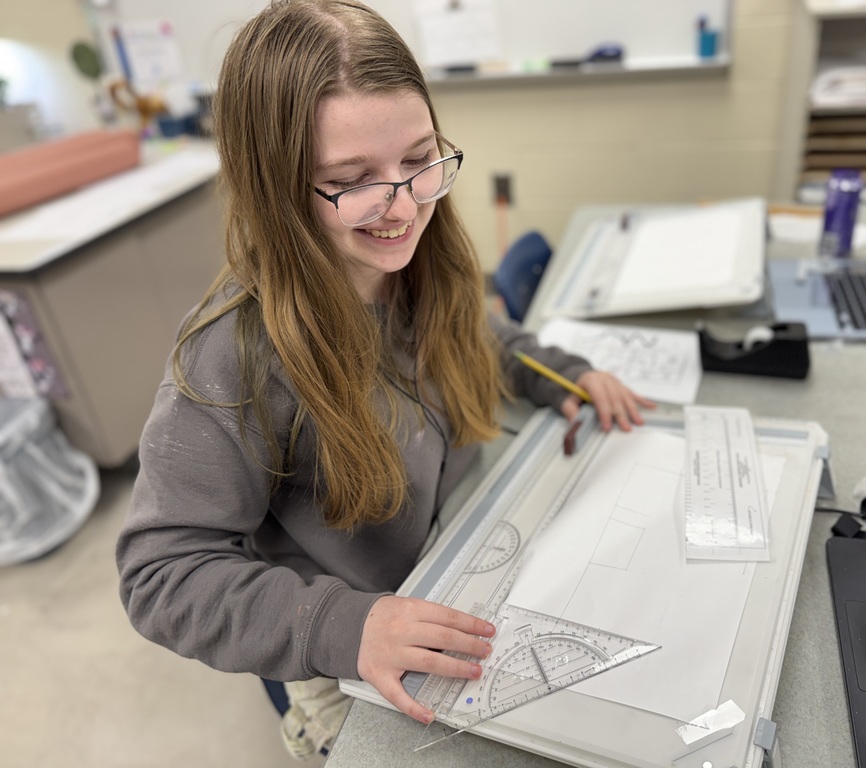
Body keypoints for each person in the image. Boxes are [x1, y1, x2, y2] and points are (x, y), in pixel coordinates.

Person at [116, 0, 654, 757]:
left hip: (458, 563)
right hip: (345, 641)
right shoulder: (229, 358)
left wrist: (558, 374)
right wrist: (342, 626)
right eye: (351, 179)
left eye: (419, 158)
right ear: (275, 186)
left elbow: (483, 337)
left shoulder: (422, 260)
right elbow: (160, 576)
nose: (403, 206)